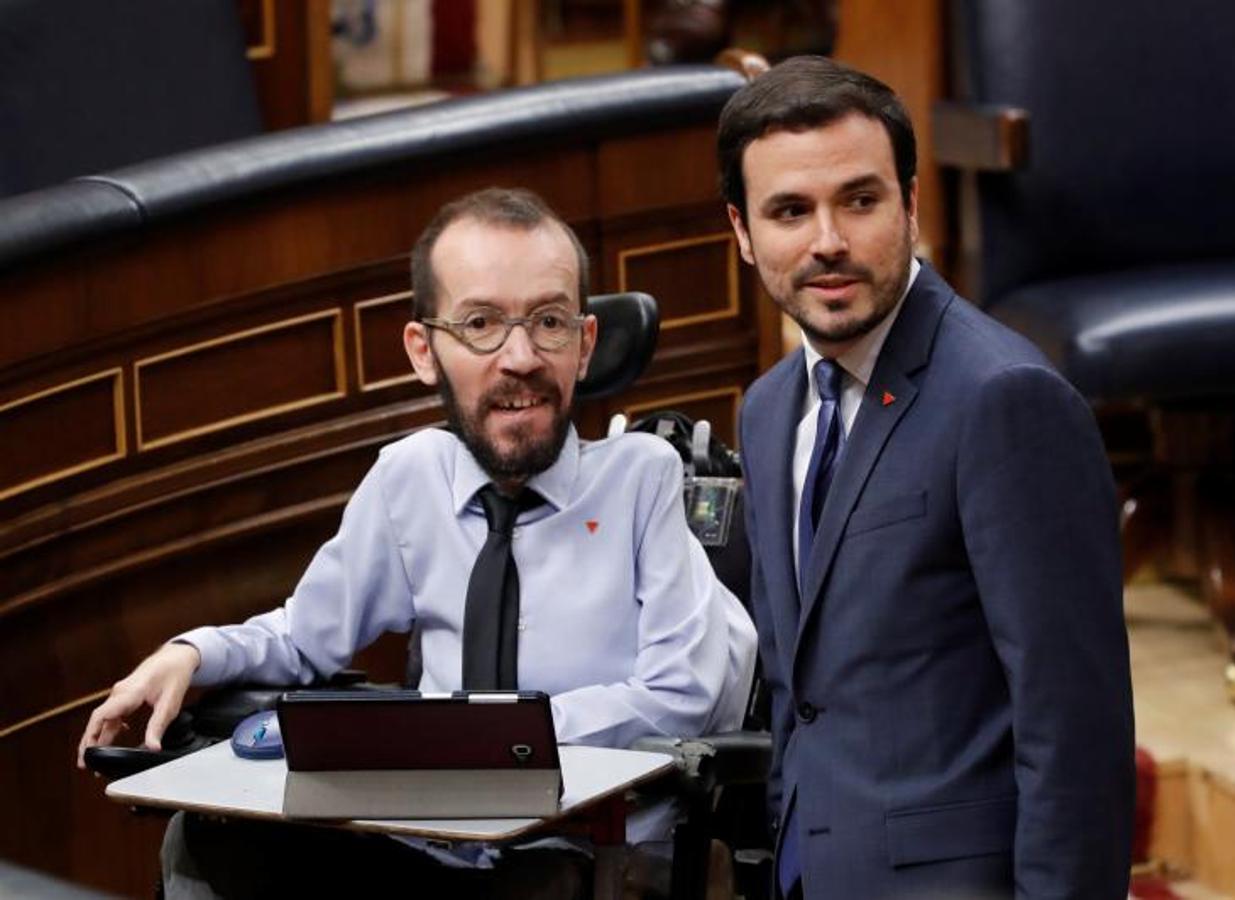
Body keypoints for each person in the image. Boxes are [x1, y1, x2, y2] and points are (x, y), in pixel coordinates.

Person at [77, 187, 757, 898]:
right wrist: (194, 651)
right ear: (423, 351)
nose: (519, 356)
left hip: (592, 858)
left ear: (583, 345)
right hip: (435, 855)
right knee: (206, 841)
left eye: (549, 321)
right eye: (480, 325)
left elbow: (682, 695)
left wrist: (495, 737)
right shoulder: (409, 477)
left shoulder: (641, 480)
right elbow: (306, 640)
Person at [719, 56, 1135, 898]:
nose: (826, 240)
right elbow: (798, 692)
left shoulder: (1003, 399)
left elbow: (1074, 728)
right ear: (741, 232)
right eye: (789, 211)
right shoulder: (766, 412)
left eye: (859, 200)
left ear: (911, 205)